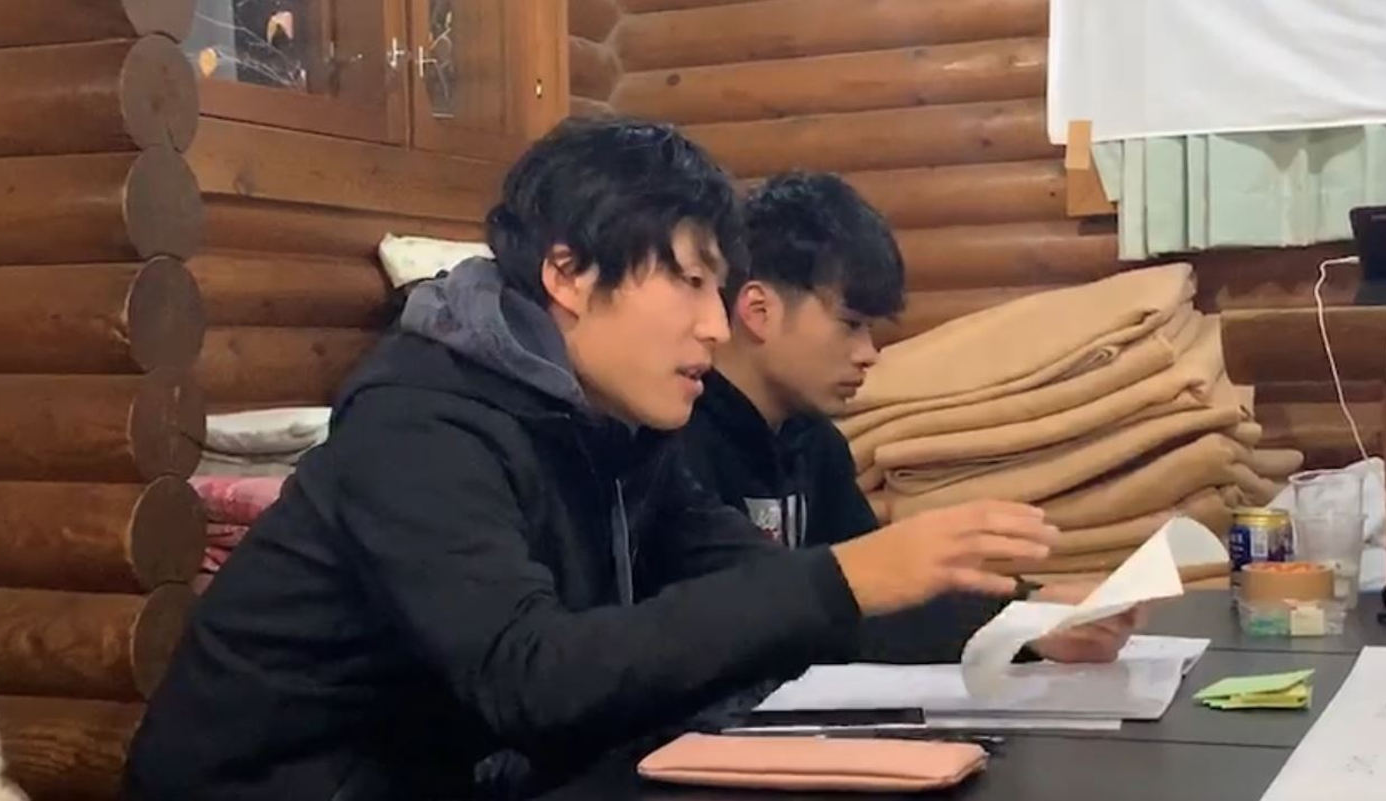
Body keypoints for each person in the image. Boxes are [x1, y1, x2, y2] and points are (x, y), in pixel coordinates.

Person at [124, 118, 1060, 801]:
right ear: (568, 274)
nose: (714, 323)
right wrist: (847, 577)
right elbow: (528, 672)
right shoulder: (419, 422)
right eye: (690, 282)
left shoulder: (619, 428)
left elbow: (767, 587)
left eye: (721, 289)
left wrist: (1022, 626)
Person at [681, 171, 1140, 664]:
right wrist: (1017, 622)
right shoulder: (678, 446)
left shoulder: (815, 442)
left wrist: (1030, 612)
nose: (869, 354)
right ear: (758, 311)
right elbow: (756, 622)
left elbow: (877, 598)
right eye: (851, 325)